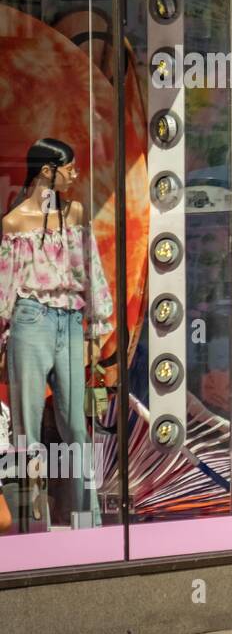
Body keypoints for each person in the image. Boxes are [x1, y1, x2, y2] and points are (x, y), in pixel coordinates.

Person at [0, 138, 113, 531]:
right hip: (30, 319)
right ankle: (27, 523)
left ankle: (87, 520)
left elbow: (91, 267)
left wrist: (98, 323)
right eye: (69, 167)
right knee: (25, 427)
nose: (76, 173)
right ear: (47, 171)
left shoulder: (76, 213)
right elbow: (6, 286)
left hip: (69, 319)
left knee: (75, 426)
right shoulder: (15, 222)